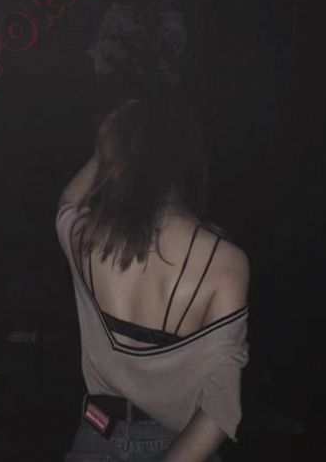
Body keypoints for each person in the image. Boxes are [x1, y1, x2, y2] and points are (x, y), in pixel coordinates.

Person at [56, 91, 250, 461]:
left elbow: (68, 202)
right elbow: (220, 410)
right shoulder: (224, 263)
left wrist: (103, 148)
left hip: (97, 436)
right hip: (182, 446)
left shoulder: (88, 239)